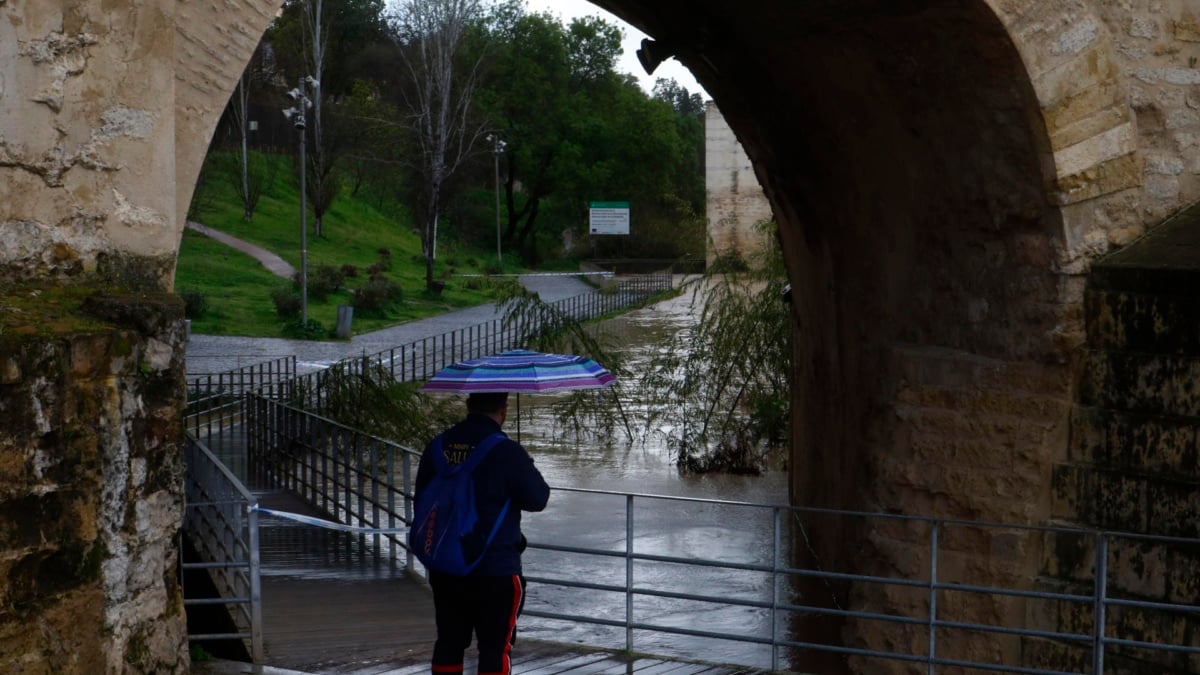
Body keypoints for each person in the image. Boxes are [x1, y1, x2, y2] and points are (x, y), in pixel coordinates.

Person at [414, 391, 551, 675]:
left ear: (468, 405)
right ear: (504, 409)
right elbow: (538, 499)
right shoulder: (507, 451)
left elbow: (422, 500)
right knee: (495, 648)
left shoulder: (439, 446)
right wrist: (524, 463)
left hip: (447, 564)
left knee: (450, 641)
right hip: (496, 567)